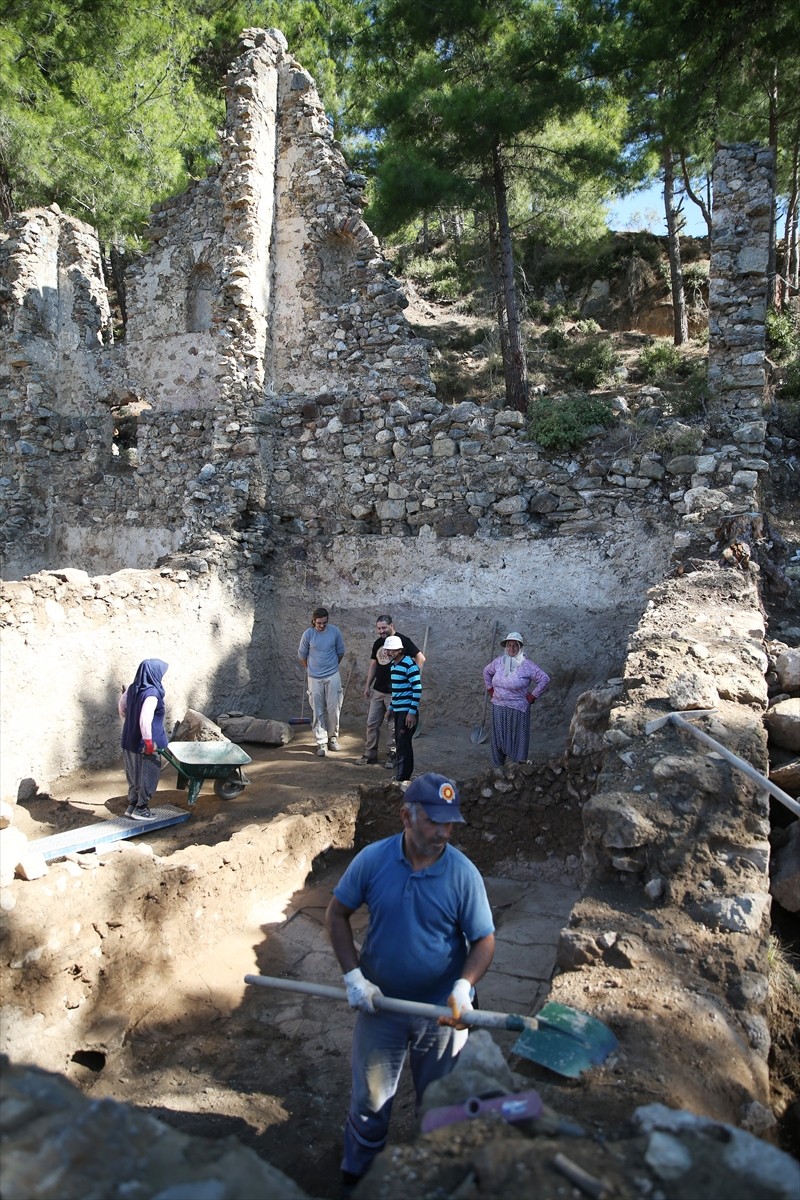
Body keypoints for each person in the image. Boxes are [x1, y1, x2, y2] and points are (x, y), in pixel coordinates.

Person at [325, 773, 495, 1190]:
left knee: (439, 1107)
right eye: (434, 821)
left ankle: (434, 1178)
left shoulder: (463, 875)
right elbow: (336, 914)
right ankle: (358, 1178)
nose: (443, 832)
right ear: (406, 815)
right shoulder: (373, 860)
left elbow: (483, 940)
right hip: (380, 1006)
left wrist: (463, 986)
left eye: (450, 822)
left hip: (440, 1014)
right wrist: (353, 977)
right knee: (369, 1101)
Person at [357, 614, 425, 768]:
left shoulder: (403, 641)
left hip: (395, 693)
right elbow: (374, 665)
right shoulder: (378, 643)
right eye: (379, 628)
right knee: (372, 723)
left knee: (393, 726)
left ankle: (391, 754)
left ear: (392, 626)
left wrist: (412, 678)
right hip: (378, 690)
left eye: (384, 628)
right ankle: (370, 753)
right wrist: (368, 685)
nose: (381, 631)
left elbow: (421, 658)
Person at [482, 631, 550, 768]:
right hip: (498, 708)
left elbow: (544, 679)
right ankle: (498, 769)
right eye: (509, 645)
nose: (512, 648)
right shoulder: (499, 662)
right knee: (498, 740)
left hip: (518, 709)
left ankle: (518, 769)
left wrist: (532, 696)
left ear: (520, 648)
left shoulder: (527, 665)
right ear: (506, 647)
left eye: (515, 646)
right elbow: (486, 672)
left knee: (517, 740)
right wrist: (490, 689)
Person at [119, 658, 169, 821]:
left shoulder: (133, 688)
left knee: (134, 774)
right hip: (147, 743)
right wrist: (148, 742)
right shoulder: (152, 694)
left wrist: (130, 724)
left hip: (129, 739)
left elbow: (122, 708)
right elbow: (145, 719)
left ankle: (132, 804)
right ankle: (141, 808)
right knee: (149, 774)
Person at [298, 607, 346, 758]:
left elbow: (340, 652)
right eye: (319, 623)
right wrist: (310, 669)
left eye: (324, 623)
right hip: (314, 677)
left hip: (332, 675)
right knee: (317, 710)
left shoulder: (334, 632)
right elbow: (302, 655)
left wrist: (331, 667)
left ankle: (332, 737)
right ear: (314, 621)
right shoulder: (308, 634)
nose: (322, 626)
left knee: (334, 708)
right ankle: (321, 741)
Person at [384, 634, 421, 782]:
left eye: (391, 650)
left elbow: (417, 689)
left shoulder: (409, 665)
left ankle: (403, 777)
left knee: (404, 744)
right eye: (387, 650)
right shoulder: (394, 666)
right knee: (399, 743)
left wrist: (411, 713)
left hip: (406, 711)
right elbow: (397, 690)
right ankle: (401, 774)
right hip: (399, 710)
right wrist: (391, 708)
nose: (388, 653)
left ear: (399, 650)